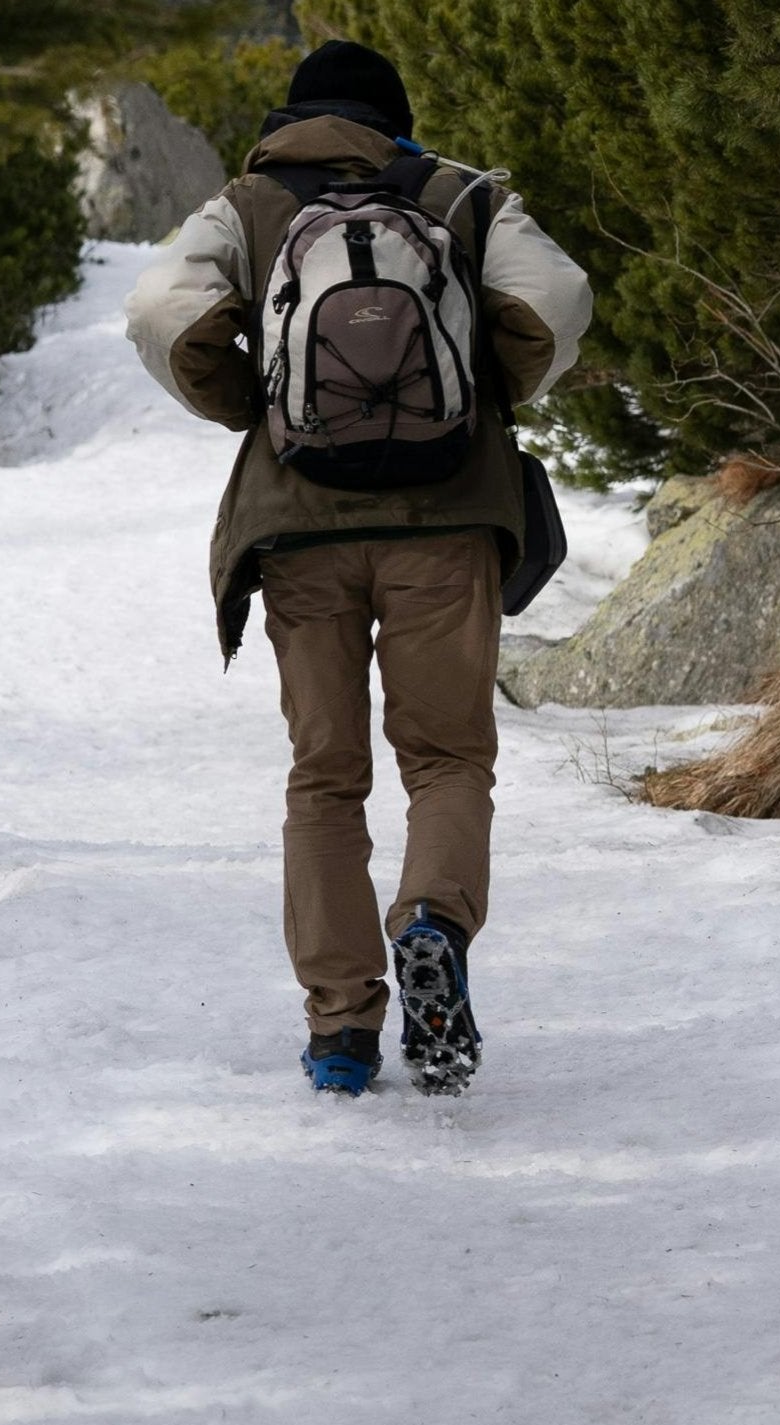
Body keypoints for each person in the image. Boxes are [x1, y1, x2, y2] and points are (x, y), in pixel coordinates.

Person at [125, 40, 591, 1097]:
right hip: (445, 518)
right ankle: (431, 916)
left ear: (296, 115)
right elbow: (552, 303)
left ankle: (339, 1027)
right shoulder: (458, 194)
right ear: (396, 117)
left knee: (324, 777)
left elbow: (160, 313)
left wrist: (254, 407)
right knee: (444, 757)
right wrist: (479, 395)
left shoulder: (244, 206)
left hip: (299, 529)